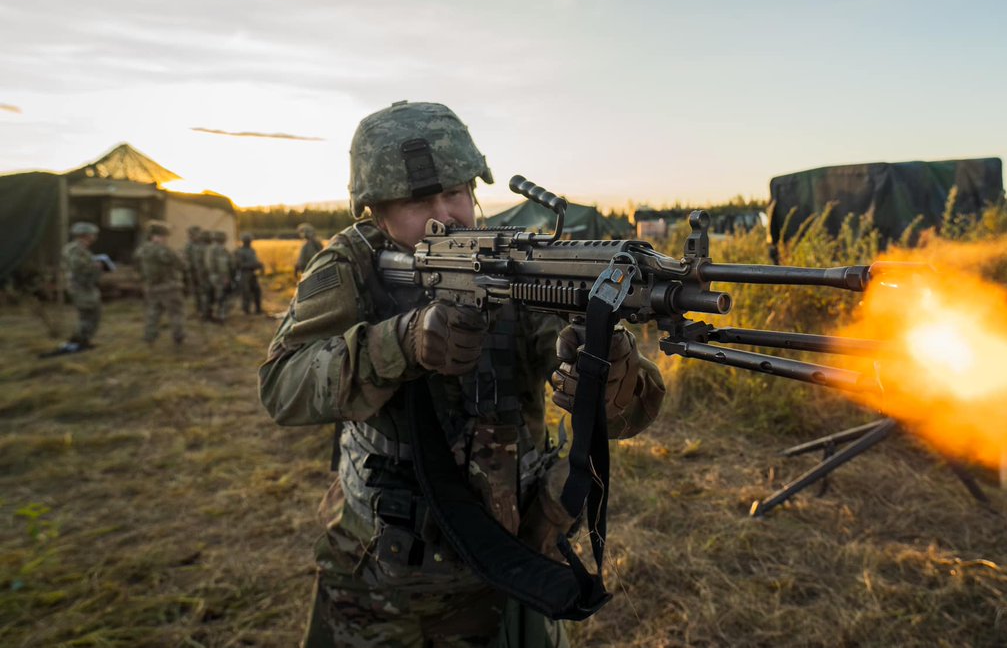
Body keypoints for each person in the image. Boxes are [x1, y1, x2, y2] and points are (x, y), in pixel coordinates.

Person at [258, 101, 666, 647]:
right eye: (418, 200)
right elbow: (282, 387)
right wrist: (398, 343)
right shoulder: (348, 267)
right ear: (373, 211)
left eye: (456, 191)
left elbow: (619, 408)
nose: (447, 213)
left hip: (513, 558)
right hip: (387, 580)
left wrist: (609, 375)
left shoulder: (513, 261)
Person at [133, 220, 186, 346]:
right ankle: (178, 337)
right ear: (160, 236)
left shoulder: (141, 251)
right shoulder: (165, 251)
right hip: (169, 287)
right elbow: (181, 265)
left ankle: (149, 337)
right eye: (165, 236)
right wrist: (181, 257)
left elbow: (137, 268)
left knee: (153, 313)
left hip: (151, 287)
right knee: (176, 313)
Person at [59, 221, 105, 351]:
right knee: (88, 314)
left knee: (91, 314)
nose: (94, 236)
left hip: (85, 286)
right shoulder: (75, 249)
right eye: (92, 234)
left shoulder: (80, 249)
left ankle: (82, 340)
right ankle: (78, 342)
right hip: (81, 287)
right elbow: (77, 267)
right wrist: (95, 266)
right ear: (85, 235)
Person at [206, 230, 234, 323]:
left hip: (213, 276)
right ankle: (220, 316)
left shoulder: (210, 248)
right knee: (221, 297)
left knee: (214, 296)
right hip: (219, 277)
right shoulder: (219, 249)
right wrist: (225, 277)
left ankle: (212, 315)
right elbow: (222, 265)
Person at [234, 232, 265, 314]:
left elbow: (255, 260)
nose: (249, 242)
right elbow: (240, 265)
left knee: (257, 291)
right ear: (244, 241)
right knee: (246, 292)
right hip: (244, 274)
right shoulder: (240, 252)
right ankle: (246, 310)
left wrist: (259, 265)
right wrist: (252, 265)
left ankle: (258, 309)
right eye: (247, 240)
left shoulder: (252, 250)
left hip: (253, 273)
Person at [182, 225, 204, 312]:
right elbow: (185, 259)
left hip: (202, 271)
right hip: (193, 271)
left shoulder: (202, 244)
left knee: (202, 290)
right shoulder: (188, 246)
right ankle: (199, 307)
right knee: (197, 290)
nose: (198, 236)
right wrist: (188, 269)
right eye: (195, 234)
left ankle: (202, 307)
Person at [195, 230, 214, 321]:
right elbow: (207, 263)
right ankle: (206, 315)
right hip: (205, 274)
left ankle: (204, 313)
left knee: (204, 293)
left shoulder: (199, 247)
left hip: (201, 273)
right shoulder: (206, 248)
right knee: (206, 294)